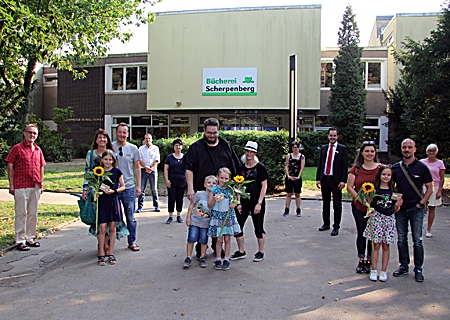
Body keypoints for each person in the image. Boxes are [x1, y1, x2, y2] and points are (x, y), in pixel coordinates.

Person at [182, 117, 240, 258]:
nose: (212, 136)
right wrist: (190, 189)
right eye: (209, 133)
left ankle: (217, 246)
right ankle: (200, 248)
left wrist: (235, 193)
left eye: (214, 133)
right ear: (204, 131)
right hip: (202, 193)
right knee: (202, 219)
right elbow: (188, 168)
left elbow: (234, 170)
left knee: (218, 220)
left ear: (218, 131)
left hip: (222, 194)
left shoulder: (225, 145)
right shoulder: (196, 147)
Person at [392, 138, 433, 282]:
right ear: (401, 149)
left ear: (415, 149)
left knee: (418, 240)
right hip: (401, 210)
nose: (407, 150)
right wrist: (396, 201)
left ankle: (418, 269)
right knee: (402, 239)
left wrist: (421, 204)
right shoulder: (396, 168)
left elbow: (430, 188)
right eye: (404, 147)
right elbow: (392, 187)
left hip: (416, 209)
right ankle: (403, 266)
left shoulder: (421, 167)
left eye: (409, 147)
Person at [6, 124, 46, 251]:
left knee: (33, 213)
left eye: (34, 133)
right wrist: (11, 184)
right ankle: (20, 239)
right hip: (21, 184)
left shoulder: (38, 150)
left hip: (35, 184)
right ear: (24, 133)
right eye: (30, 132)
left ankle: (30, 237)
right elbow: (10, 166)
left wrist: (42, 183)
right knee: (21, 213)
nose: (32, 135)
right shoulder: (17, 148)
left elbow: (41, 167)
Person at [363, 165, 403, 282]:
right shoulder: (374, 190)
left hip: (389, 219)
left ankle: (384, 271)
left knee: (386, 245)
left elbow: (395, 209)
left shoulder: (394, 191)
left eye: (389, 175)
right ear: (379, 175)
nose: (386, 177)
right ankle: (374, 270)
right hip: (377, 218)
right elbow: (369, 203)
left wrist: (398, 205)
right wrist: (368, 208)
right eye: (384, 174)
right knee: (376, 245)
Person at [231, 141, 268, 262]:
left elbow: (264, 186)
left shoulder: (260, 167)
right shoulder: (240, 168)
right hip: (244, 202)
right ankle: (241, 251)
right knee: (238, 227)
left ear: (255, 153)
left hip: (257, 202)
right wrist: (238, 203)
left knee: (258, 228)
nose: (249, 153)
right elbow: (237, 187)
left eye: (251, 151)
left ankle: (260, 251)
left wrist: (259, 203)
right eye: (247, 151)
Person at [346, 141, 379, 274]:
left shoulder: (380, 168)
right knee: (361, 233)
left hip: (375, 207)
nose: (369, 154)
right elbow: (349, 187)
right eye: (367, 151)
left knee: (372, 234)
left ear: (375, 153)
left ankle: (370, 260)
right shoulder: (356, 169)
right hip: (359, 206)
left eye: (372, 151)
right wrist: (361, 199)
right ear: (362, 153)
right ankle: (361, 259)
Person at [81, 128, 115, 255]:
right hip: (94, 191)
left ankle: (106, 245)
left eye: (104, 137)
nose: (102, 140)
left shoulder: (112, 154)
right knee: (98, 220)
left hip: (108, 192)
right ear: (96, 140)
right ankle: (101, 244)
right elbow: (87, 173)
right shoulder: (91, 154)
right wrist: (85, 190)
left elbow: (115, 173)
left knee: (108, 220)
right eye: (100, 137)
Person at [112, 123, 142, 252]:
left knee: (130, 216)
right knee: (111, 217)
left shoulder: (133, 148)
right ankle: (108, 243)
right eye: (120, 132)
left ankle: (132, 241)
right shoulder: (110, 147)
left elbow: (137, 167)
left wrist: (139, 185)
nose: (122, 135)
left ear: (128, 134)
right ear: (116, 133)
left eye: (124, 132)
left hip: (128, 187)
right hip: (112, 188)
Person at [96, 150, 127, 266]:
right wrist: (97, 192)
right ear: (102, 160)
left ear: (113, 161)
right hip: (103, 201)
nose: (108, 162)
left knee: (113, 227)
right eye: (106, 159)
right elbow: (96, 185)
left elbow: (123, 186)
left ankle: (111, 252)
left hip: (113, 200)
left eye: (110, 159)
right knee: (102, 228)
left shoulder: (117, 171)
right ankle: (101, 253)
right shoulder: (99, 172)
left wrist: (114, 191)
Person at [316, 128, 348, 236]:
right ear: (328, 136)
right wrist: (318, 178)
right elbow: (320, 164)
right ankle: (326, 224)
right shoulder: (324, 148)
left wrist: (343, 180)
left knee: (337, 204)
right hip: (325, 179)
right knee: (325, 203)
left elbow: (344, 166)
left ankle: (336, 226)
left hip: (336, 180)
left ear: (337, 136)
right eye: (331, 135)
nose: (332, 137)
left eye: (334, 135)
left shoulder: (342, 149)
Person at [208, 167, 241, 270]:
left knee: (227, 238)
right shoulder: (214, 190)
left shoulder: (231, 189)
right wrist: (214, 199)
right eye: (221, 178)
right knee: (219, 239)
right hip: (218, 217)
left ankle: (226, 258)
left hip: (228, 217)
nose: (224, 181)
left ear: (229, 179)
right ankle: (218, 259)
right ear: (217, 177)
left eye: (226, 179)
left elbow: (236, 201)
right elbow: (209, 205)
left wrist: (234, 204)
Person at [183, 175, 217, 269]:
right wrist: (188, 217)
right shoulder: (199, 194)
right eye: (209, 182)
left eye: (214, 183)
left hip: (206, 224)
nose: (211, 184)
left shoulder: (215, 197)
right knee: (191, 239)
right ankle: (188, 257)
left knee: (203, 240)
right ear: (205, 184)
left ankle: (202, 257)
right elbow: (192, 205)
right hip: (195, 221)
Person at [420, 143, 446, 238]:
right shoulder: (422, 162)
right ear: (427, 152)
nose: (432, 152)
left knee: (432, 208)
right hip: (423, 186)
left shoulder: (440, 163)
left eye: (433, 151)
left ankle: (429, 229)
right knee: (421, 207)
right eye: (430, 151)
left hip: (434, 186)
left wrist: (440, 190)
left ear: (436, 152)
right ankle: (419, 229)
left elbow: (442, 178)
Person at [164, 138, 186, 224]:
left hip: (182, 181)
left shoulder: (185, 157)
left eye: (180, 145)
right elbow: (166, 169)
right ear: (174, 147)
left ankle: (179, 215)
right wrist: (166, 180)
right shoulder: (169, 157)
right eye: (176, 145)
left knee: (180, 199)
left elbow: (188, 170)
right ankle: (170, 216)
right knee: (171, 198)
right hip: (171, 182)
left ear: (182, 147)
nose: (178, 147)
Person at [137, 133, 160, 212]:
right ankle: (140, 206)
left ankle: (156, 205)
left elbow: (157, 160)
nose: (148, 140)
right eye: (146, 138)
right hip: (143, 170)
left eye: (149, 138)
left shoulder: (155, 148)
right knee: (142, 189)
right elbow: (139, 160)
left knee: (154, 189)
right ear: (144, 140)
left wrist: (151, 168)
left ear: (152, 139)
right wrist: (146, 167)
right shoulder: (140, 149)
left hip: (153, 170)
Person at [283, 141, 305, 217]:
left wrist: (299, 176)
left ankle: (298, 209)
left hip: (297, 177)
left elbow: (302, 167)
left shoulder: (302, 156)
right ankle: (287, 209)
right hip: (290, 177)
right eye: (293, 147)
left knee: (297, 194)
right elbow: (286, 166)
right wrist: (288, 175)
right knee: (288, 193)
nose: (295, 149)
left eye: (296, 147)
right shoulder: (289, 156)